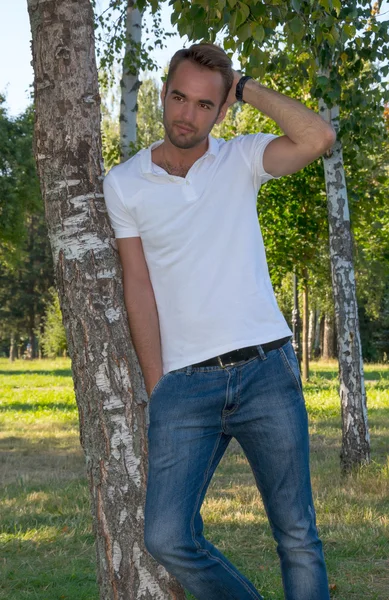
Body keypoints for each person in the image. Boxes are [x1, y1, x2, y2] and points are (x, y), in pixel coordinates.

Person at [103, 43, 335, 600]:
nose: (187, 114)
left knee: (297, 535)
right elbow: (138, 285)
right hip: (185, 384)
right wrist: (159, 385)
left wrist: (247, 86)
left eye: (205, 104)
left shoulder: (242, 158)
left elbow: (318, 138)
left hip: (266, 371)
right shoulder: (125, 183)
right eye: (179, 97)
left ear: (222, 109)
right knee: (165, 535)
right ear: (163, 93)